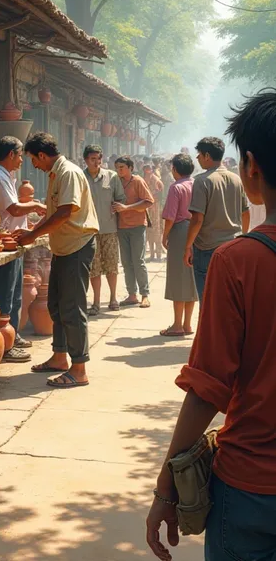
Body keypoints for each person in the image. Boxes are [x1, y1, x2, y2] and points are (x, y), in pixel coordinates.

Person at [146, 89, 276, 561]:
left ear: (252, 169)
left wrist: (167, 487)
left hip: (252, 489)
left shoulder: (238, 262)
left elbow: (208, 386)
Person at [16, 132, 99, 388]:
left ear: (42, 155)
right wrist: (32, 231)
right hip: (64, 248)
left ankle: (79, 369)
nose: (34, 165)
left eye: (33, 159)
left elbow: (65, 212)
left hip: (77, 246)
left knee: (73, 309)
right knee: (57, 306)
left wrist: (33, 235)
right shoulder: (56, 174)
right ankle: (60, 357)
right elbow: (54, 212)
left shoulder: (68, 173)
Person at [0, 136, 47, 362]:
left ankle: (13, 334)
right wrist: (36, 206)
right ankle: (6, 344)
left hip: (14, 242)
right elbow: (13, 208)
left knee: (14, 294)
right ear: (10, 154)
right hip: (4, 243)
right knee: (4, 296)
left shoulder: (6, 176)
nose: (22, 160)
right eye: (20, 155)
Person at [184, 136, 250, 301]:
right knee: (229, 299)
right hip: (233, 245)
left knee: (208, 301)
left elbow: (197, 219)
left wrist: (188, 246)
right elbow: (245, 212)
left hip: (207, 249)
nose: (197, 158)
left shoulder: (202, 181)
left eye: (199, 154)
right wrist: (243, 236)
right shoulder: (236, 179)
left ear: (207, 155)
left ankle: (208, 328)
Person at [83, 144, 124, 315]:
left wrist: (119, 207)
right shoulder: (80, 177)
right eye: (93, 159)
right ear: (86, 159)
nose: (96, 162)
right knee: (94, 268)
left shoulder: (111, 176)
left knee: (112, 265)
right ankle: (96, 302)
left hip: (109, 229)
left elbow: (120, 199)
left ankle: (113, 298)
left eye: (99, 158)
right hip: (89, 231)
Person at [160, 153, 198, 337]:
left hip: (180, 231)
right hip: (196, 231)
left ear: (175, 169)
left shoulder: (176, 188)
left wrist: (165, 236)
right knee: (191, 277)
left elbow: (170, 217)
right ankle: (188, 324)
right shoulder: (197, 184)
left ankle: (177, 324)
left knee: (177, 277)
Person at [114, 156, 154, 309]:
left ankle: (145, 294)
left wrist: (127, 208)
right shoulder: (116, 182)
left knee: (138, 261)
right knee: (126, 262)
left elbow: (149, 201)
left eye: (122, 167)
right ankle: (132, 294)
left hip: (137, 226)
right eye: (117, 167)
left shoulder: (138, 181)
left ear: (130, 168)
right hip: (121, 226)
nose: (119, 170)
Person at [143, 163, 164, 262]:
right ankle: (152, 254)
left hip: (155, 209)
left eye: (149, 170)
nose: (147, 172)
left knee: (157, 232)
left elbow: (159, 194)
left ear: (151, 170)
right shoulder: (144, 180)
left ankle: (158, 255)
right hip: (147, 210)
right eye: (146, 170)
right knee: (149, 232)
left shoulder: (156, 180)